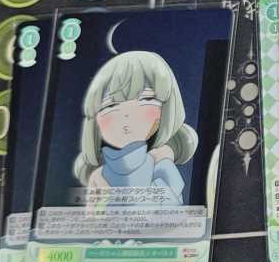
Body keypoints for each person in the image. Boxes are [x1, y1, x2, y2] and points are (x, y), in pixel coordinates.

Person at [74, 47, 196, 209]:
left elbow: (171, 209)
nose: (127, 114)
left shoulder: (159, 161)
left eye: (146, 99)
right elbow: (93, 216)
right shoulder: (99, 174)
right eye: (110, 105)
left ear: (167, 108)